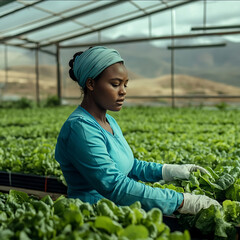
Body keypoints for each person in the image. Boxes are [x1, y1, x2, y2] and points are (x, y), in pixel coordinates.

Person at [55, 46, 220, 216]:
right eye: (115, 84)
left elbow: (130, 166)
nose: (123, 92)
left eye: (125, 85)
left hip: (121, 212)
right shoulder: (80, 129)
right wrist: (181, 201)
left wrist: (169, 170)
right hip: (93, 217)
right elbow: (114, 185)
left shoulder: (108, 121)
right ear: (91, 83)